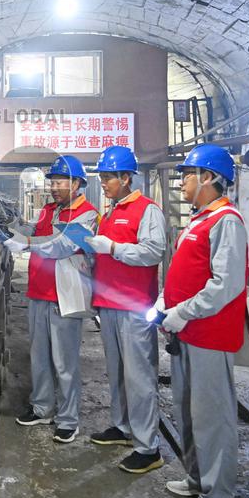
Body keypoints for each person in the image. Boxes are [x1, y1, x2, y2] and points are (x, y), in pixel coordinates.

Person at [154, 144, 248, 498]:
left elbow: (226, 284)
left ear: (208, 178)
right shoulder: (199, 220)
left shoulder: (227, 221)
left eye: (187, 175)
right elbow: (188, 272)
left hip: (209, 335)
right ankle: (197, 479)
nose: (181, 182)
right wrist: (166, 300)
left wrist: (185, 312)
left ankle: (218, 496)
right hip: (185, 333)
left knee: (213, 417)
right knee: (189, 412)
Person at [0, 156, 98, 444]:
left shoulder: (86, 214)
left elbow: (61, 246)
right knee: (39, 355)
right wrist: (12, 229)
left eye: (60, 182)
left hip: (65, 296)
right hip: (39, 293)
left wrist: (26, 244)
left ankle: (68, 419)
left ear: (77, 184)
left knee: (64, 362)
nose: (54, 187)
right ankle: (42, 407)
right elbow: (35, 231)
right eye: (52, 181)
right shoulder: (49, 210)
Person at [86, 145, 166, 474]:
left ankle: (148, 448)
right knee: (117, 372)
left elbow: (152, 252)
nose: (103, 183)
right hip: (109, 304)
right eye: (102, 178)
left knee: (140, 377)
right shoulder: (109, 212)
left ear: (126, 177)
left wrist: (114, 248)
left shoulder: (148, 211)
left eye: (108, 178)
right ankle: (121, 427)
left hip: (133, 306)